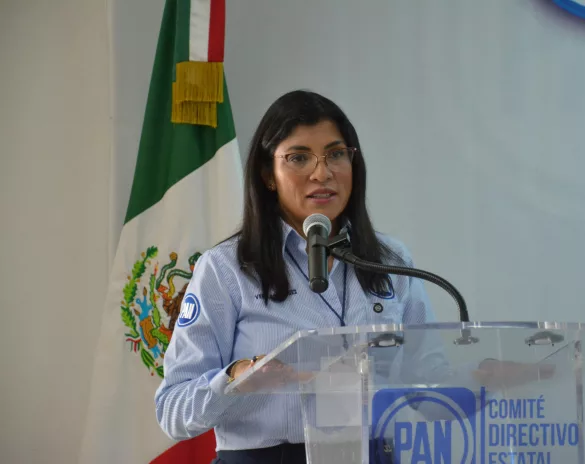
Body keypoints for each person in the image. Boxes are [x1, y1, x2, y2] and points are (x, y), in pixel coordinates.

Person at [154, 90, 548, 464]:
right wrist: (236, 379)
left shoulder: (391, 261)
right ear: (268, 174)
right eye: (299, 157)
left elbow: (428, 390)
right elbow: (172, 409)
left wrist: (485, 379)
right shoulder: (226, 269)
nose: (322, 172)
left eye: (336, 154)